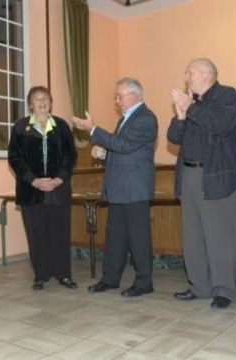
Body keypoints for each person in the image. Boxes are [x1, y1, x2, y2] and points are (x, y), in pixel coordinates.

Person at [167, 58, 236, 309]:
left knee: (220, 236)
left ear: (206, 74)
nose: (186, 77)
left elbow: (221, 125)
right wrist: (179, 117)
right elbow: (173, 138)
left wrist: (190, 108)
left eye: (189, 72)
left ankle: (223, 290)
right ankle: (200, 286)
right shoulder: (191, 103)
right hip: (188, 175)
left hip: (215, 176)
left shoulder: (227, 96)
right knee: (193, 235)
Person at [73, 77, 158, 297]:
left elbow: (124, 145)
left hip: (135, 187)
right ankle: (110, 279)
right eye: (116, 96)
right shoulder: (124, 119)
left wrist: (93, 130)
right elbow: (122, 151)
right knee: (115, 237)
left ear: (135, 95)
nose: (116, 100)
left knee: (138, 238)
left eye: (119, 95)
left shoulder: (146, 118)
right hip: (119, 187)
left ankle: (143, 282)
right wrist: (104, 154)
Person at [8, 86, 78, 291]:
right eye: (37, 99)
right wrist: (33, 180)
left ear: (51, 102)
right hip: (31, 190)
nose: (41, 102)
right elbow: (15, 158)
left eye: (45, 98)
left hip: (59, 189)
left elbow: (71, 156)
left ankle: (64, 275)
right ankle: (40, 275)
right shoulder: (21, 126)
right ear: (30, 104)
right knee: (36, 233)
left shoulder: (62, 125)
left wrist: (59, 179)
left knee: (60, 233)